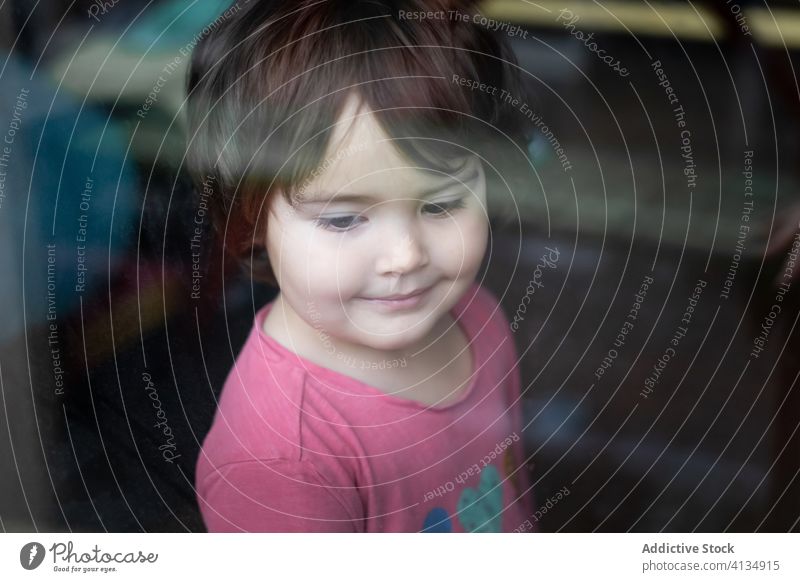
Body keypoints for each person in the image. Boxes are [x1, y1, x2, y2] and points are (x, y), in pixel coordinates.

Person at [185, 0, 536, 532]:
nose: (406, 256)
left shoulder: (478, 317)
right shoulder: (280, 461)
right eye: (344, 220)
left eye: (441, 205)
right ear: (250, 215)